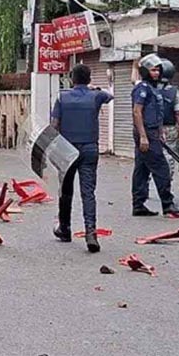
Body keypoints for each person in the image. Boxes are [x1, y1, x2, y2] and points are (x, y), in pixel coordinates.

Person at [50, 64, 113, 253]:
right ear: (89, 78)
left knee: (66, 190)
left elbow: (54, 125)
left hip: (67, 150)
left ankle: (65, 229)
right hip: (90, 149)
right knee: (88, 192)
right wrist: (95, 88)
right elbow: (110, 96)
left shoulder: (62, 97)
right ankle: (91, 232)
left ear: (72, 79)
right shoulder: (96, 96)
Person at [131, 54, 179, 216]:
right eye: (153, 70)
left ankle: (138, 205)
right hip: (146, 132)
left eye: (158, 70)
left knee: (142, 170)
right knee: (161, 168)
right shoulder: (142, 88)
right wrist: (143, 136)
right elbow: (137, 112)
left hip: (152, 131)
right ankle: (168, 203)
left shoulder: (152, 88)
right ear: (145, 71)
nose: (156, 73)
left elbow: (157, 112)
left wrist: (160, 130)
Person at [158, 58, 179, 180]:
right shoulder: (174, 92)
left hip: (152, 128)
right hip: (169, 129)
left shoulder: (148, 88)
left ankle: (149, 183)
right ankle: (166, 182)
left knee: (151, 157)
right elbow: (178, 113)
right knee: (169, 156)